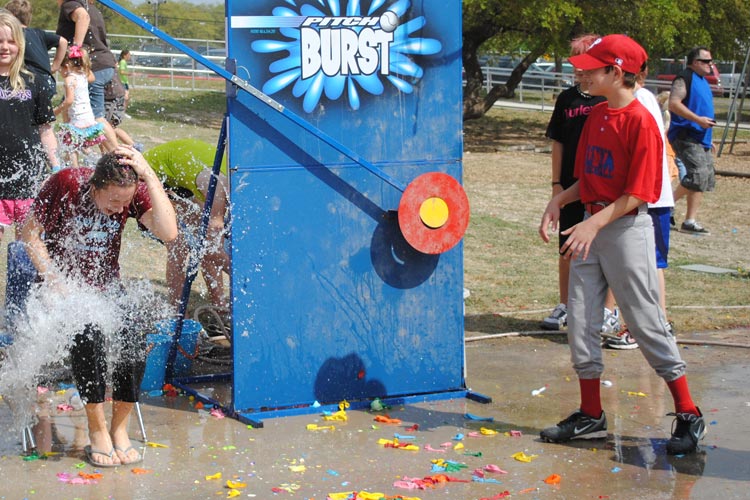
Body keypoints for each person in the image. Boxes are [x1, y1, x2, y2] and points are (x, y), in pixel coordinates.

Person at [538, 34, 705, 455]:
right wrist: (560, 199)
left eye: (592, 67)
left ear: (615, 72)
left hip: (626, 229)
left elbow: (639, 192)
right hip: (592, 225)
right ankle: (591, 414)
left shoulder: (641, 120)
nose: (583, 72)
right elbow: (590, 180)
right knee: (580, 320)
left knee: (646, 322)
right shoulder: (596, 115)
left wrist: (593, 224)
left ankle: (688, 413)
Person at [20, 146, 177, 467]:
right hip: (57, 290)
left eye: (126, 203)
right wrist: (58, 283)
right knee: (88, 329)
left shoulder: (130, 195)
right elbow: (29, 234)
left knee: (133, 331)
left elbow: (169, 231)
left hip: (106, 291)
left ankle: (120, 426)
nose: (121, 209)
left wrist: (149, 176)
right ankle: (97, 427)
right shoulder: (65, 183)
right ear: (95, 187)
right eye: (114, 201)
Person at [542, 34, 620, 335]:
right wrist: (556, 185)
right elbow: (558, 143)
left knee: (607, 249)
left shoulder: (608, 99)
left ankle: (608, 311)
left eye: (583, 59)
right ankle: (566, 304)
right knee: (567, 245)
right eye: (574, 59)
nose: (578, 67)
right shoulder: (567, 99)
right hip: (572, 185)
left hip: (603, 187)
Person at [604, 67, 676, 349]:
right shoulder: (628, 101)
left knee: (648, 266)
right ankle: (646, 325)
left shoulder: (640, 100)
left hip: (649, 201)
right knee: (633, 265)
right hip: (641, 200)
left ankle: (653, 327)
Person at [143, 139, 230, 314]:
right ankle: (177, 314)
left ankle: (220, 309)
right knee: (179, 245)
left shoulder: (229, 183)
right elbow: (211, 248)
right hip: (149, 177)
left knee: (205, 242)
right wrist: (245, 278)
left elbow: (210, 247)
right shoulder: (218, 188)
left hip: (182, 181)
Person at [0, 10, 60, 244]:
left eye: (11, 41)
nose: (5, 47)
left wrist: (56, 168)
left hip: (28, 176)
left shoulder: (34, 81)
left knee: (27, 246)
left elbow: (45, 129)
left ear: (20, 44)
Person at [56, 0, 118, 151]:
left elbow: (83, 18)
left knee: (96, 117)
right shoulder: (93, 8)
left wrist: (75, 49)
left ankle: (120, 157)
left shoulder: (70, 4)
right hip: (104, 65)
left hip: (93, 68)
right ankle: (102, 158)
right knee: (84, 116)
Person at [667, 47, 716, 235]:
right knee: (697, 174)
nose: (710, 64)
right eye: (707, 61)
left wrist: (709, 138)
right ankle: (665, 206)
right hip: (685, 135)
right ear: (695, 62)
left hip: (701, 137)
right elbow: (674, 103)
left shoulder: (703, 81)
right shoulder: (684, 78)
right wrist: (697, 120)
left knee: (703, 178)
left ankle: (690, 220)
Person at [5, 0, 67, 103]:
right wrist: (55, 66)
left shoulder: (15, 35)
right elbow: (63, 41)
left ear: (11, 16)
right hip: (48, 82)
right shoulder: (39, 33)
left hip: (30, 82)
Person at [54, 45, 106, 168]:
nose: (60, 73)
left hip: (77, 121)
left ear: (66, 66)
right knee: (90, 144)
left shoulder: (69, 79)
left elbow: (69, 101)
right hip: (89, 118)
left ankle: (74, 170)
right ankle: (102, 162)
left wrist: (55, 111)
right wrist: (84, 65)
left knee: (71, 147)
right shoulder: (83, 75)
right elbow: (92, 77)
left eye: (60, 70)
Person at [117, 48, 131, 118]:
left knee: (126, 98)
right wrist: (129, 74)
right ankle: (122, 112)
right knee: (126, 98)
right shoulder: (123, 62)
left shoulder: (123, 62)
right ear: (124, 55)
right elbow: (121, 72)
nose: (130, 56)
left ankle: (123, 112)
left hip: (125, 82)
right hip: (123, 82)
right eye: (129, 55)